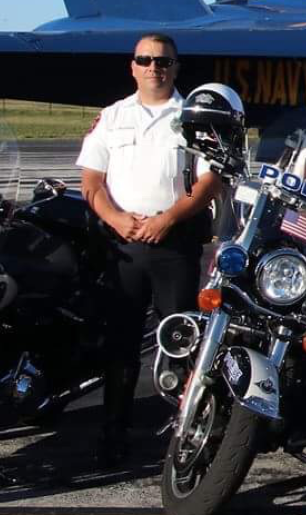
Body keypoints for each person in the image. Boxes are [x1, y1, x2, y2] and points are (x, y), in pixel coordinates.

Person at [78, 34, 221, 467]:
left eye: (163, 61)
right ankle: (114, 432)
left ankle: (181, 433)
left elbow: (208, 182)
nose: (154, 67)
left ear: (176, 67)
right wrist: (117, 219)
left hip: (172, 241)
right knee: (119, 344)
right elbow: (92, 182)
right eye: (146, 60)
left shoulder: (193, 116)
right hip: (123, 242)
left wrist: (168, 220)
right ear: (133, 66)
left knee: (180, 342)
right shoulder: (112, 117)